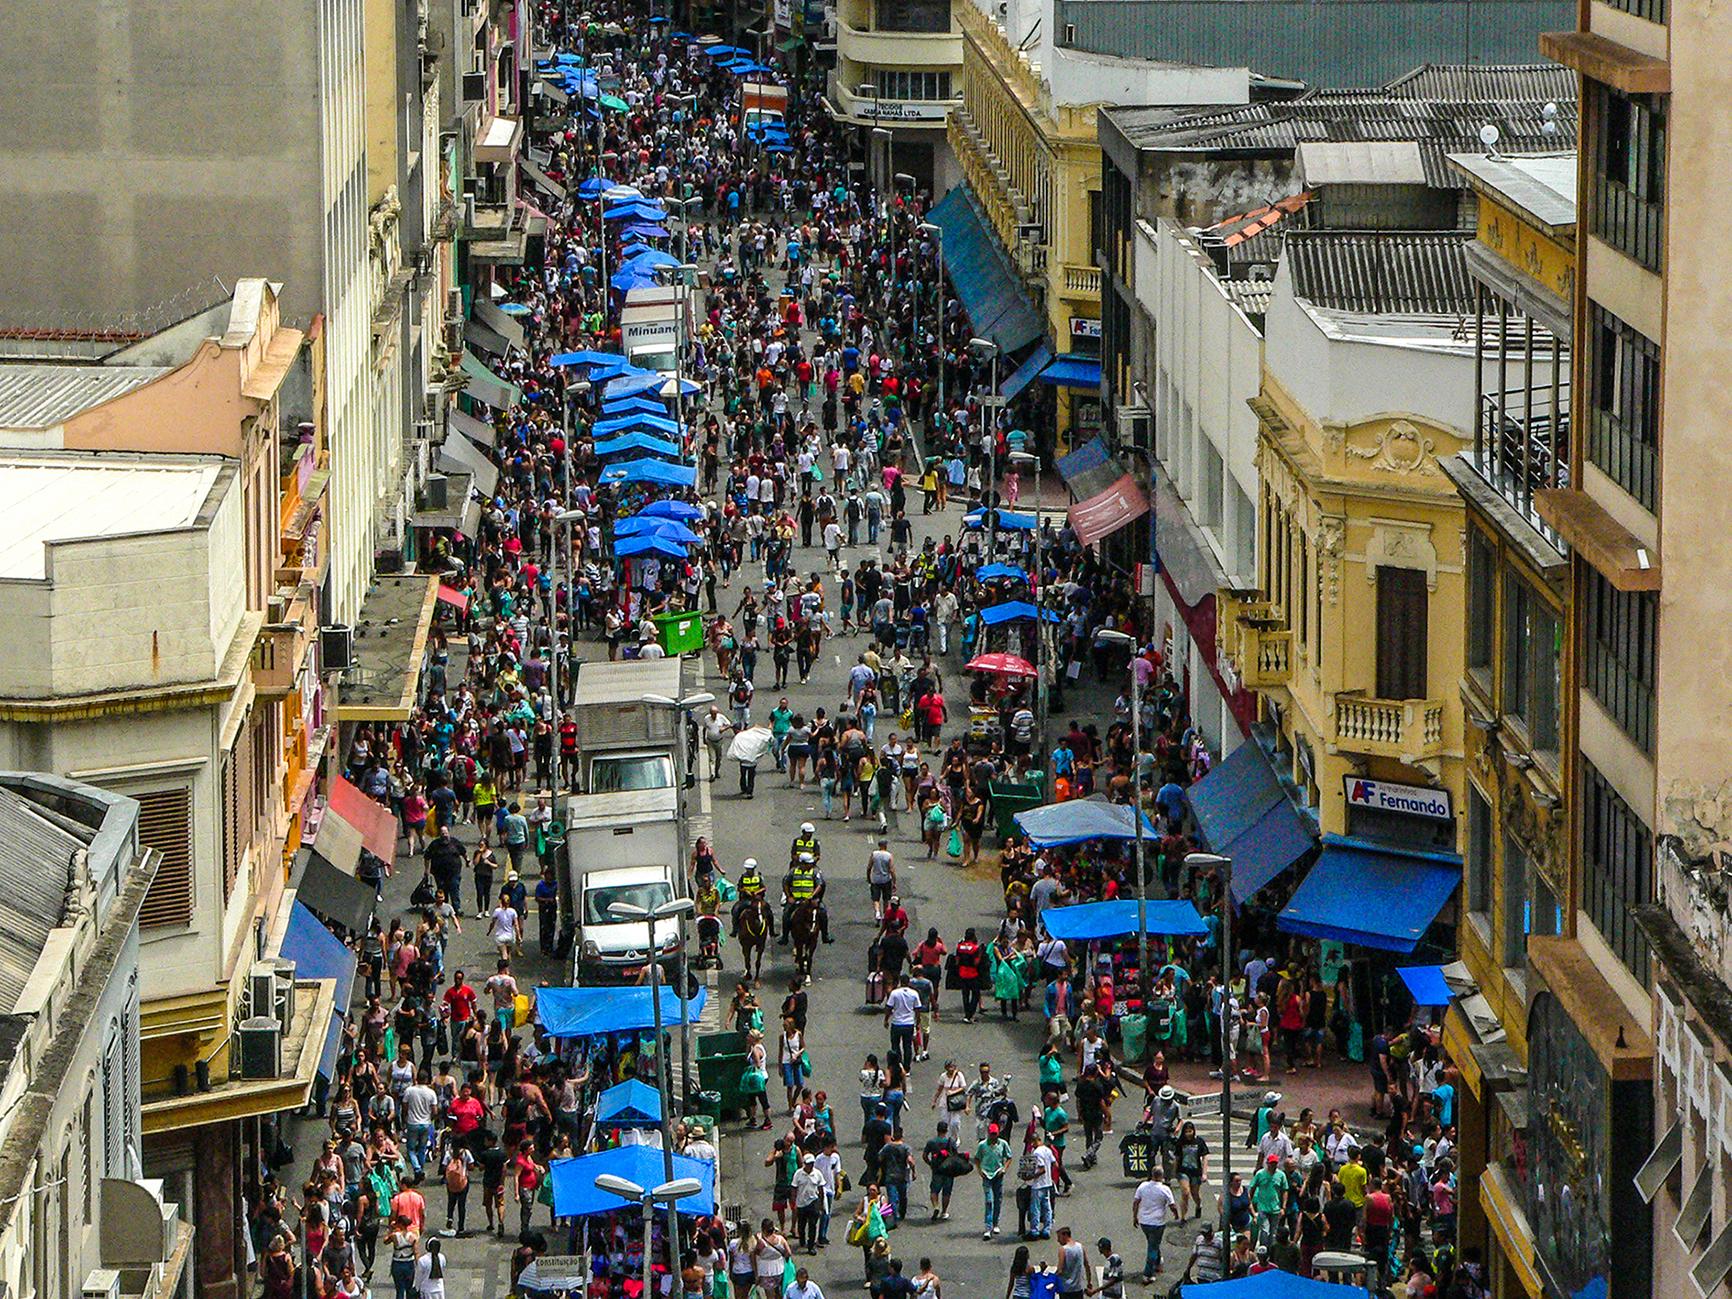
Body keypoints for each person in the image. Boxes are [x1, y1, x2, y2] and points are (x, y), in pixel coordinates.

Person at [1131, 1167, 1178, 1281]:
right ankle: (1148, 1274)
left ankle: (1157, 1261)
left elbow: (1136, 1202)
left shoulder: (1142, 1186)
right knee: (1152, 1247)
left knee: (1152, 1242)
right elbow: (1172, 1205)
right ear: (1161, 1176)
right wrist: (1176, 1215)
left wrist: (1135, 1216)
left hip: (1144, 1222)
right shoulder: (1165, 1189)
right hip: (1157, 1223)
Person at [976, 1121, 1012, 1240]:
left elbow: (1009, 1157)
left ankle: (995, 1223)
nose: (993, 1136)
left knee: (998, 1199)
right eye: (991, 1134)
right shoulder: (982, 1145)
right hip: (987, 1175)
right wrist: (980, 1171)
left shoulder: (1003, 1144)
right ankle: (988, 1227)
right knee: (989, 1201)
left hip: (998, 1174)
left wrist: (1004, 1169)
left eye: (995, 1134)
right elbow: (977, 1159)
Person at [1055, 1227, 1089, 1299]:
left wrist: (1052, 1280)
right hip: (1078, 1288)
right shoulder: (1080, 1246)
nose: (1058, 1240)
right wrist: (1089, 1281)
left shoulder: (1063, 1250)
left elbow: (1059, 1270)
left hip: (1066, 1289)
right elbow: (1087, 1265)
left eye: (1059, 1237)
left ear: (1065, 1235)